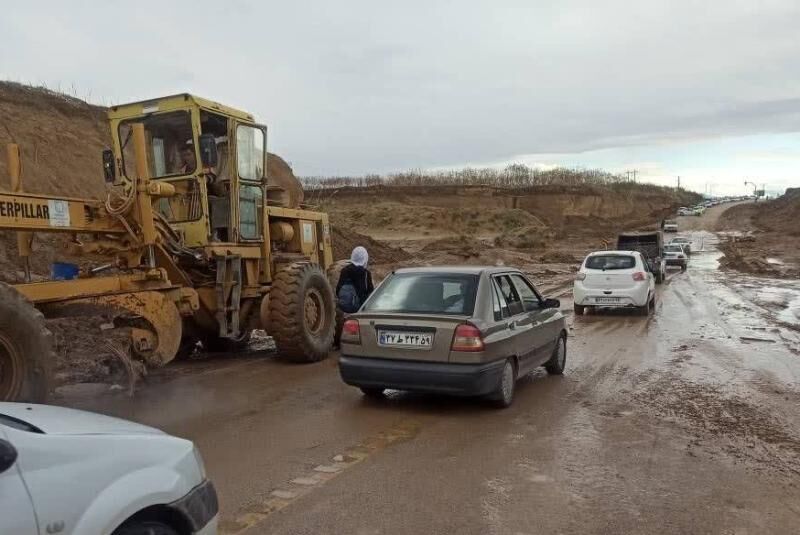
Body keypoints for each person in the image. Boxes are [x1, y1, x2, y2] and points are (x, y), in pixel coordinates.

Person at [336, 246, 375, 313]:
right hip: (358, 308)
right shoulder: (366, 273)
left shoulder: (344, 270)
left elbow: (338, 290)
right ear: (365, 258)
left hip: (344, 308)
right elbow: (370, 293)